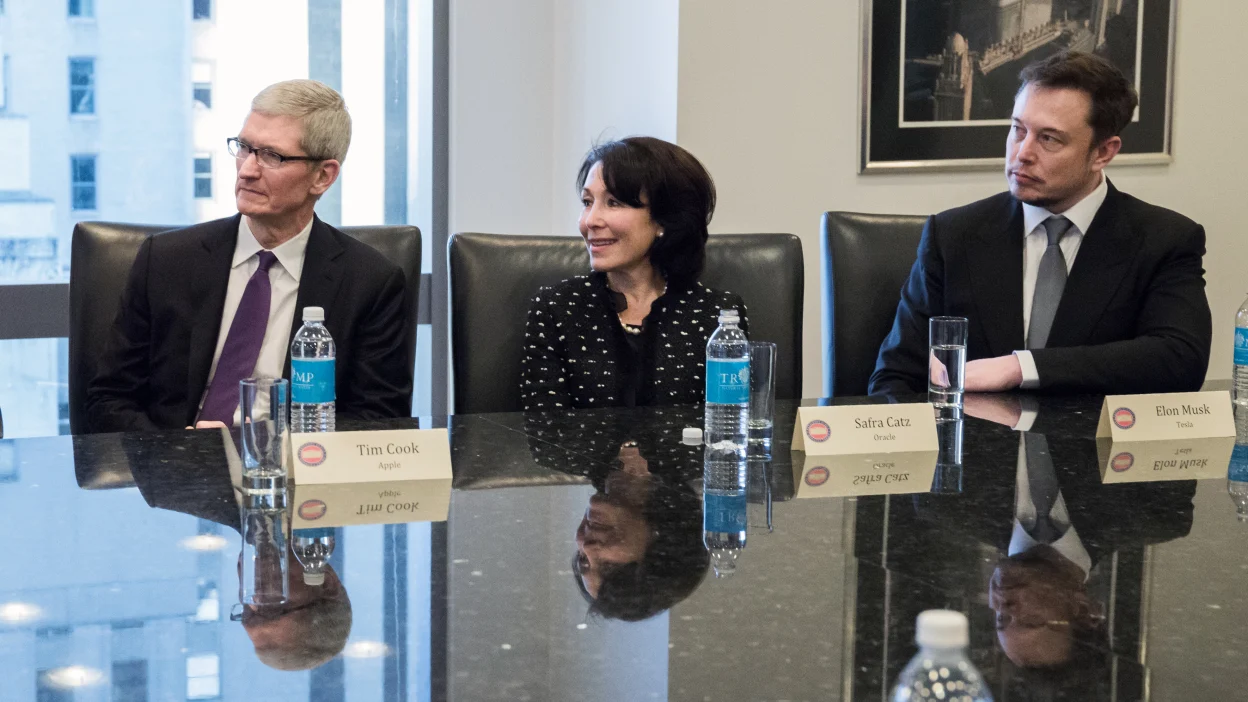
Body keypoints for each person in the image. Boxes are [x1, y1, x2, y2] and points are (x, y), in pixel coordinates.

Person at [870, 51, 1211, 396]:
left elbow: (1180, 359)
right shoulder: (953, 236)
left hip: (1095, 447)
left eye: (1049, 139)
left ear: (1103, 153)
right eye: (1018, 130)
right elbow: (894, 379)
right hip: (975, 446)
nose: (1022, 153)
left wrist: (1021, 367)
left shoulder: (1164, 240)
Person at [85, 79, 412, 433]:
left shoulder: (370, 282)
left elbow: (379, 421)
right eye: (244, 147)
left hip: (297, 476)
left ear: (322, 176)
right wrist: (181, 452)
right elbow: (108, 401)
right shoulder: (166, 260)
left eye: (272, 156)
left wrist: (275, 451)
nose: (247, 169)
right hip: (179, 471)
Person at [520, 137, 747, 411]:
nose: (590, 220)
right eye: (587, 201)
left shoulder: (720, 315)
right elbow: (545, 433)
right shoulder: (557, 308)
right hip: (582, 456)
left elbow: (731, 426)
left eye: (613, 203)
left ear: (665, 219)